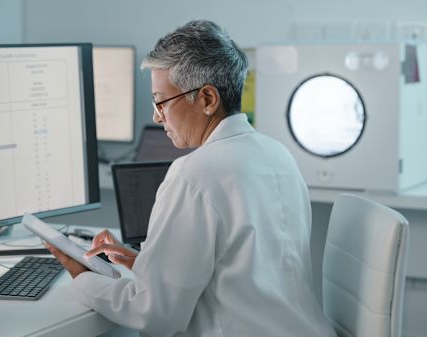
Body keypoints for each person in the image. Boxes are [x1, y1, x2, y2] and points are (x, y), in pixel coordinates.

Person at [46, 20, 337, 337]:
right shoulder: (278, 154)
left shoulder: (194, 174)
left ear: (208, 99)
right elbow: (245, 273)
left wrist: (82, 277)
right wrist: (147, 264)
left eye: (161, 101)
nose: (157, 116)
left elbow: (155, 315)